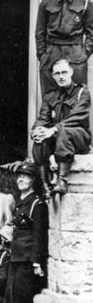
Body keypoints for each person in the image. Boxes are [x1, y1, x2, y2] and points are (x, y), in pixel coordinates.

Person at [0, 163, 48, 303]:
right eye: (19, 177)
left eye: (25, 177)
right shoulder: (21, 202)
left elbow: (38, 236)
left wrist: (36, 262)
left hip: (27, 262)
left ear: (33, 180)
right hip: (16, 259)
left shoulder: (37, 204)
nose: (21, 180)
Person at [31, 58, 91, 198]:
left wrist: (53, 130)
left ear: (71, 72)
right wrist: (36, 131)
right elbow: (43, 118)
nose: (61, 76)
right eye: (57, 73)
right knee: (40, 139)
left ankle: (62, 181)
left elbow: (77, 117)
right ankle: (45, 185)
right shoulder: (50, 96)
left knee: (63, 130)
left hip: (79, 137)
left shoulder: (82, 92)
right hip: (58, 139)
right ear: (53, 76)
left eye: (64, 72)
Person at [36, 0, 93, 94]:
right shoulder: (47, 1)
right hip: (52, 52)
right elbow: (40, 32)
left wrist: (84, 53)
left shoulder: (84, 1)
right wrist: (43, 55)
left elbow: (92, 31)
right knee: (50, 99)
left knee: (77, 98)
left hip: (75, 53)